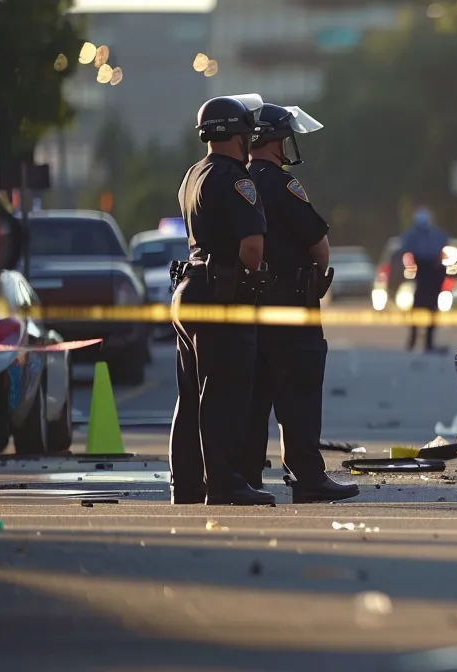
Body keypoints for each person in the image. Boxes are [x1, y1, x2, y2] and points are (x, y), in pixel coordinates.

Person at [240, 102, 360, 503]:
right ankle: (307, 477)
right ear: (273, 142)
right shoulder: (282, 183)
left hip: (249, 305)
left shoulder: (238, 180)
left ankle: (247, 475)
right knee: (300, 392)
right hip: (292, 303)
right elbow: (319, 246)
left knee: (255, 395)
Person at [170, 94, 273, 505]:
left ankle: (188, 484)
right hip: (221, 295)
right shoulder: (237, 179)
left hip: (189, 290)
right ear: (237, 134)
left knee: (191, 395)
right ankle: (225, 482)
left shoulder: (193, 173)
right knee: (225, 393)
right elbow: (252, 248)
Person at [400, 208, 448, 352]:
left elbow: (441, 249)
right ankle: (414, 340)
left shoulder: (436, 235)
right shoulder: (413, 235)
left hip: (434, 272)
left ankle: (428, 342)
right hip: (422, 272)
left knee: (431, 308)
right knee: (419, 306)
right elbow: (406, 249)